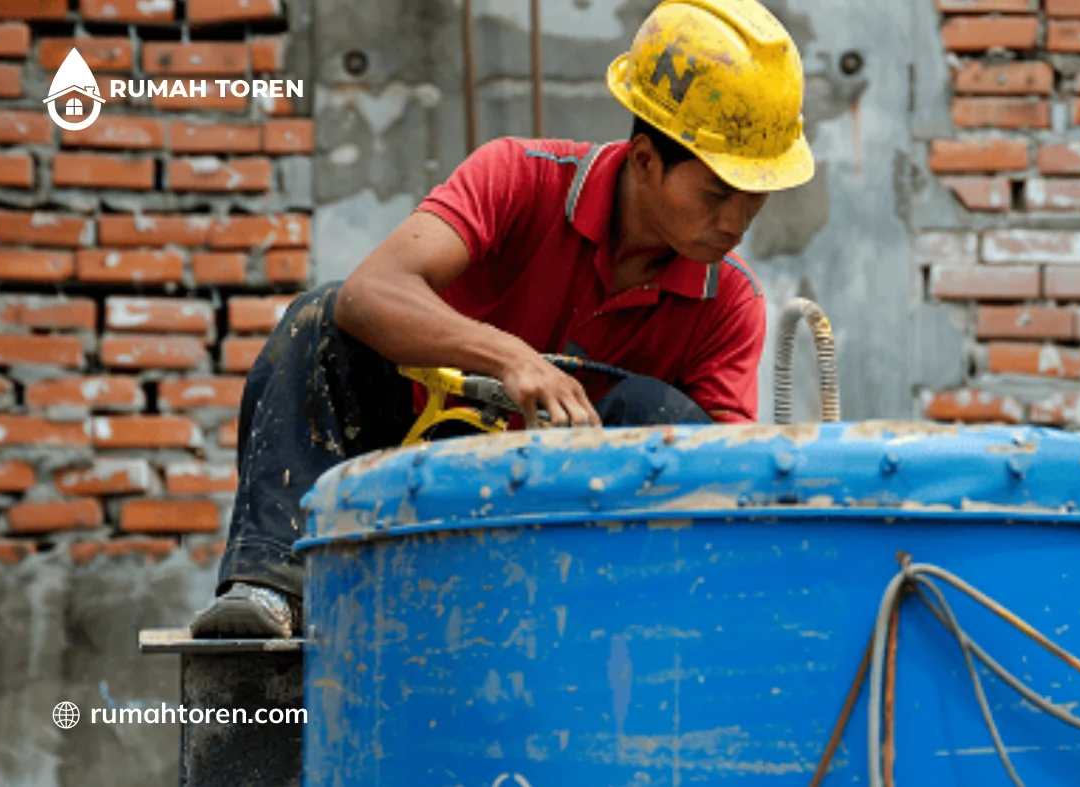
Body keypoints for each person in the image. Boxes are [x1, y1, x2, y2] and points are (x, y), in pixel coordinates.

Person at [189, 0, 814, 638]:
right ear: (645, 161)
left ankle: (636, 633)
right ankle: (271, 587)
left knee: (668, 423)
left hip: (571, 548)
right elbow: (371, 291)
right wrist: (509, 357)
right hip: (416, 471)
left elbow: (725, 483)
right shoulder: (518, 177)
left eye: (755, 200)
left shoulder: (730, 302)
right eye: (716, 194)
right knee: (319, 320)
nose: (736, 223)